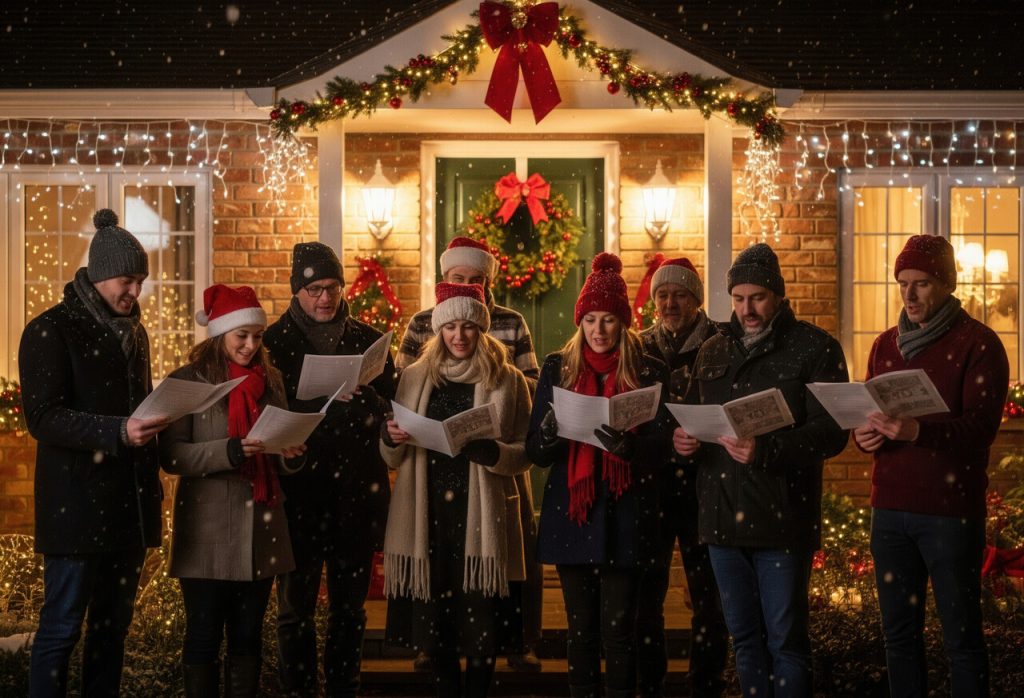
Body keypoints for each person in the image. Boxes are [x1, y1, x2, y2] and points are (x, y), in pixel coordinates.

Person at [672, 243, 849, 698]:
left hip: (782, 520)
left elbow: (832, 433)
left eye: (758, 298)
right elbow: (694, 414)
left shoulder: (815, 348)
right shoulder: (713, 350)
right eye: (738, 299)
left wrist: (767, 449)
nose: (747, 310)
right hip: (720, 520)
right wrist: (685, 441)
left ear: (778, 297)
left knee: (786, 641)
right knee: (745, 641)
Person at [19, 209, 168, 697]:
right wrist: (120, 431)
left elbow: (136, 405)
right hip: (76, 509)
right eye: (128, 280)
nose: (135, 292)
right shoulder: (50, 330)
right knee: (61, 630)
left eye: (140, 281)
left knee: (111, 632)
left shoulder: (136, 332)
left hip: (128, 509)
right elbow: (42, 417)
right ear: (100, 275)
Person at [853, 235, 1008, 697]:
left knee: (961, 638)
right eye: (903, 284)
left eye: (921, 284)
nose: (910, 295)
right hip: (890, 512)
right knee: (898, 637)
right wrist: (865, 437)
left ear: (946, 285)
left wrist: (919, 431)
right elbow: (871, 417)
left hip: (949, 514)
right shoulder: (885, 345)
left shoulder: (979, 344)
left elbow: (981, 429)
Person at [527, 253, 671, 698]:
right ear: (580, 322)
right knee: (581, 630)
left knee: (619, 631)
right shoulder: (558, 367)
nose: (599, 330)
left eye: (608, 320)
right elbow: (536, 450)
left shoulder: (648, 369)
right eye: (590, 319)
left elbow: (666, 449)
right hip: (575, 511)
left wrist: (632, 447)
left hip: (627, 512)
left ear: (623, 323)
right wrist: (551, 433)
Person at [398, 235, 544, 672]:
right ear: (444, 280)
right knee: (442, 558)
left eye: (475, 280)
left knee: (509, 553)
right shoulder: (424, 323)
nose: (466, 286)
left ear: (487, 283)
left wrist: (503, 402)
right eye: (458, 279)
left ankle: (518, 641)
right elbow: (405, 385)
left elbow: (532, 385)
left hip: (494, 461)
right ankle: (432, 641)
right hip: (437, 471)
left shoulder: (510, 323)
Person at [160, 284, 307, 697]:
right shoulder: (188, 382)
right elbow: (172, 456)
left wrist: (291, 453)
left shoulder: (271, 379)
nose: (249, 345)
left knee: (248, 638)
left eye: (256, 337)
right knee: (203, 636)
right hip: (206, 531)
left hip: (261, 531)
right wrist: (228, 451)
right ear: (219, 334)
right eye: (241, 336)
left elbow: (281, 456)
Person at [264, 242, 396, 698]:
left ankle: (345, 687)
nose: (325, 298)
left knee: (350, 609)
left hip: (357, 492)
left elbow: (394, 408)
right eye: (315, 288)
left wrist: (372, 403)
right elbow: (266, 414)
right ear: (297, 291)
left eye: (333, 287)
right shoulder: (273, 343)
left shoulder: (367, 339)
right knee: (294, 608)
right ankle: (298, 690)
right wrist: (313, 408)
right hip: (298, 493)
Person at [636, 257, 728, 698]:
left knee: (709, 596)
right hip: (651, 487)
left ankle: (705, 683)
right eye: (663, 295)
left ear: (696, 299)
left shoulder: (720, 343)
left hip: (705, 486)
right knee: (646, 596)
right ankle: (649, 681)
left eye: (680, 294)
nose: (670, 302)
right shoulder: (637, 347)